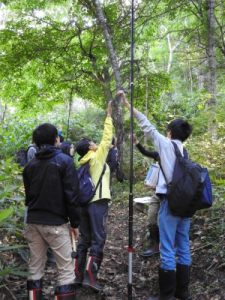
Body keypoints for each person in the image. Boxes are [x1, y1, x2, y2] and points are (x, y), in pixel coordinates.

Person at [119, 90, 192, 300]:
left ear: (169, 132)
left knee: (167, 247)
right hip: (186, 205)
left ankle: (167, 295)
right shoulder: (184, 152)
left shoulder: (166, 145)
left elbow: (146, 124)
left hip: (170, 203)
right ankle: (182, 292)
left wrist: (126, 104)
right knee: (183, 246)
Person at [23, 123, 80, 300]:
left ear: (36, 141)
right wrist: (75, 224)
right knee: (65, 271)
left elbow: (29, 197)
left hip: (33, 222)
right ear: (56, 139)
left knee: (35, 268)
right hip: (56, 223)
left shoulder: (30, 165)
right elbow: (71, 195)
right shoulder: (65, 161)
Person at [74, 101, 113, 292]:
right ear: (90, 146)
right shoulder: (96, 157)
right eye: (92, 142)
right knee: (98, 239)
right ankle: (91, 278)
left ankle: (77, 276)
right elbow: (107, 139)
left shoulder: (81, 164)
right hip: (98, 203)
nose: (96, 144)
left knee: (84, 239)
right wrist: (109, 115)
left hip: (82, 206)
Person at [133, 134, 160, 258]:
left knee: (165, 223)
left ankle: (165, 247)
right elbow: (146, 152)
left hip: (171, 196)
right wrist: (137, 142)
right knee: (151, 221)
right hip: (157, 194)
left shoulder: (179, 154)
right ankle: (155, 245)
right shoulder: (159, 155)